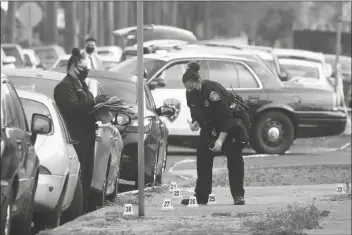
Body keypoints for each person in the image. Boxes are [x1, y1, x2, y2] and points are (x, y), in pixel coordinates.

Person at [180, 62, 250, 206]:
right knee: (203, 159)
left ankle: (238, 196)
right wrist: (195, 123)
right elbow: (197, 112)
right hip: (210, 127)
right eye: (187, 88)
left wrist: (220, 140)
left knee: (234, 160)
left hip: (231, 126)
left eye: (192, 87)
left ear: (198, 81)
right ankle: (201, 196)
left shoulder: (213, 92)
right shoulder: (190, 93)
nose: (190, 90)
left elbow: (226, 117)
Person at [54, 48, 107, 213]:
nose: (86, 71)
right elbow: (71, 109)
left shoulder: (82, 84)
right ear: (73, 67)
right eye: (83, 68)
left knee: (87, 177)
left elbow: (88, 105)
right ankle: (75, 212)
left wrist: (102, 106)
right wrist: (93, 103)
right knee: (78, 177)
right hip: (76, 138)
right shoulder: (64, 87)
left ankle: (83, 210)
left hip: (89, 135)